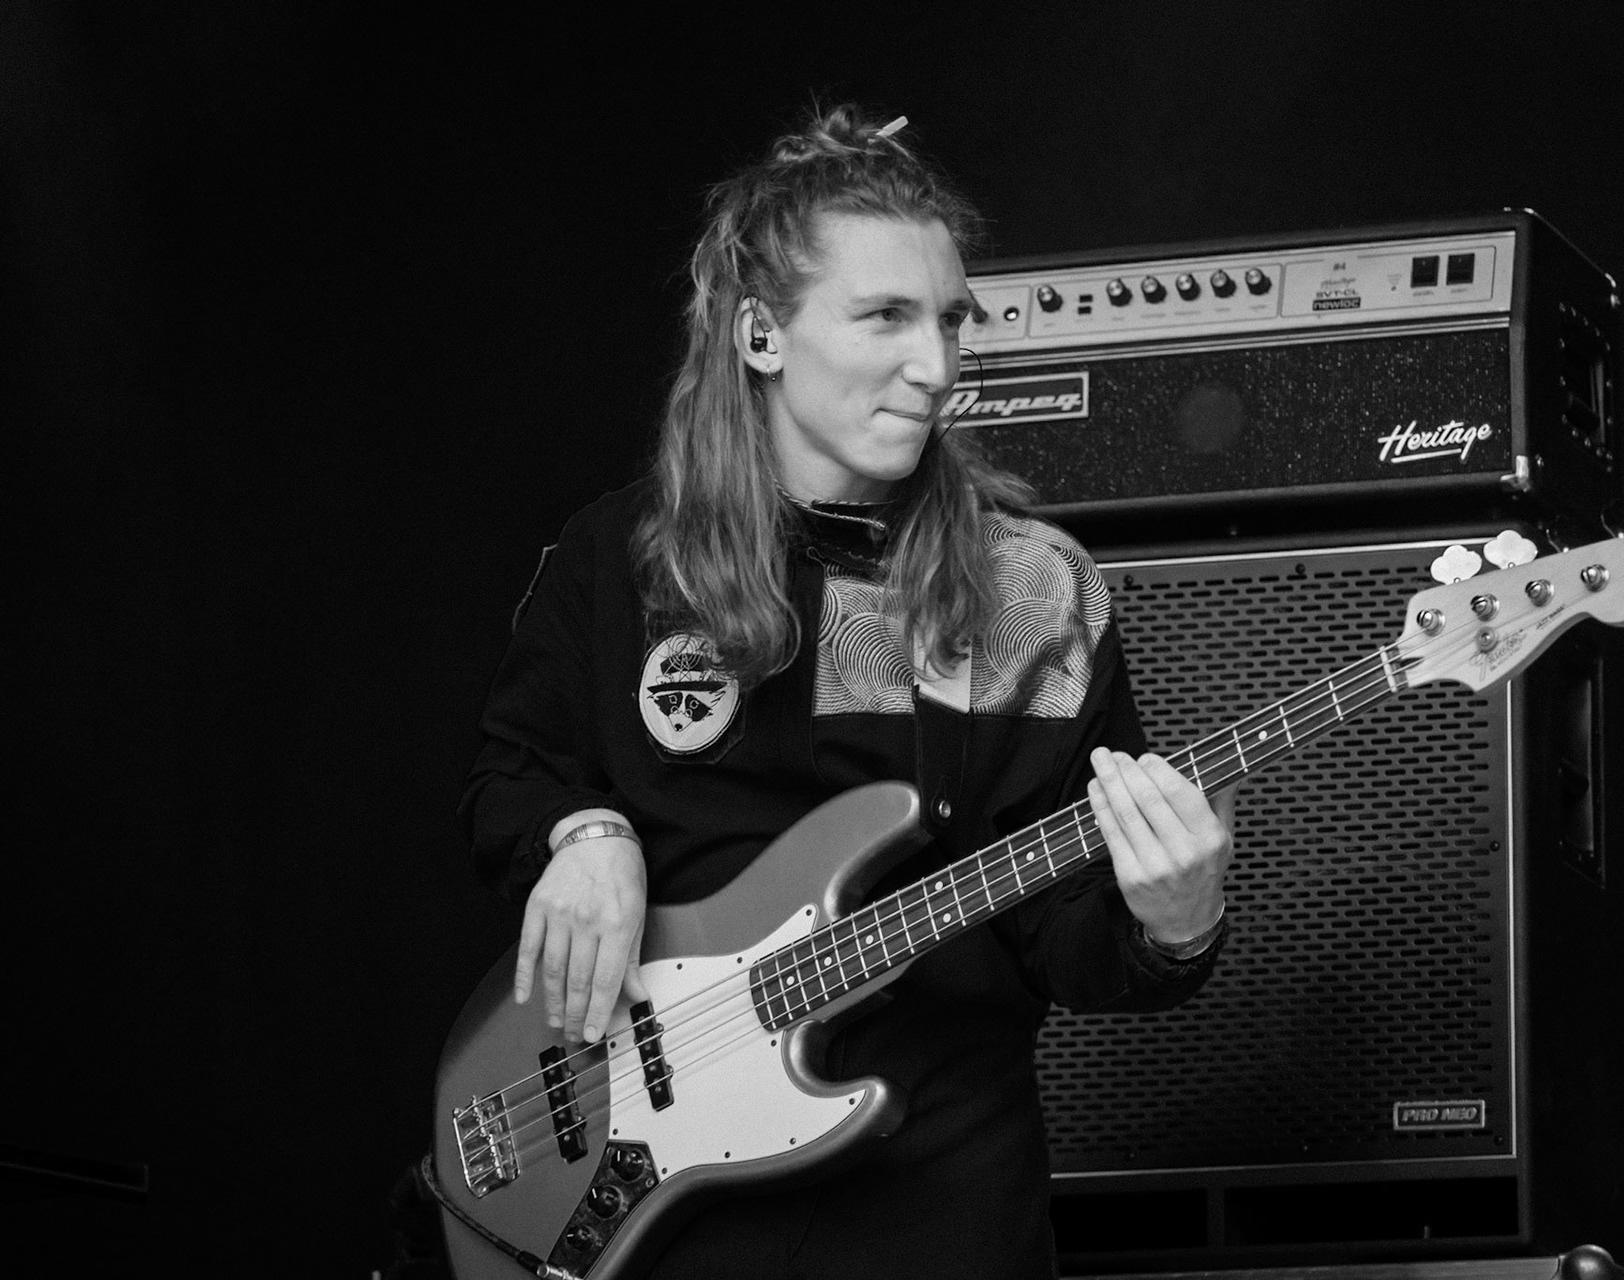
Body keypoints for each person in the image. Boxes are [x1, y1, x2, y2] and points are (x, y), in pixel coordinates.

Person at [459, 103, 1236, 1279]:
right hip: (660, 1201)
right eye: (885, 316)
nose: (938, 367)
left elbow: (1065, 939)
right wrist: (583, 832)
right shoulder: (619, 557)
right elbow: (511, 775)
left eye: (951, 319)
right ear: (762, 333)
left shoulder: (1035, 588)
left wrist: (1176, 921)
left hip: (939, 1203)